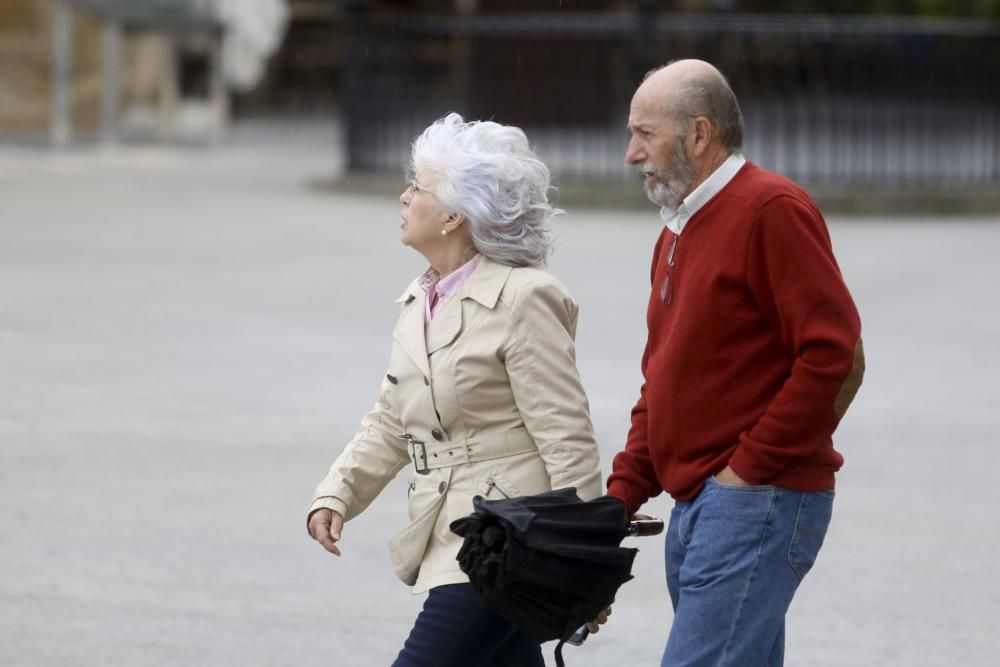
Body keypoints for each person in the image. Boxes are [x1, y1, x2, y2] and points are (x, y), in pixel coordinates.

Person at [306, 113, 602, 667]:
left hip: (508, 540)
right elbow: (393, 419)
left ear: (454, 217)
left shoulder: (525, 297)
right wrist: (337, 492)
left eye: (418, 186)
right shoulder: (422, 297)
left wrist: (583, 561)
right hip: (446, 527)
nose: (403, 195)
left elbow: (567, 440)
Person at [605, 60, 866, 667]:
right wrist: (621, 495)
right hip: (705, 503)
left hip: (754, 500)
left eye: (644, 133)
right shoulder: (675, 231)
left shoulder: (770, 208)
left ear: (698, 134)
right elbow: (665, 381)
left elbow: (835, 353)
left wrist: (745, 472)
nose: (630, 153)